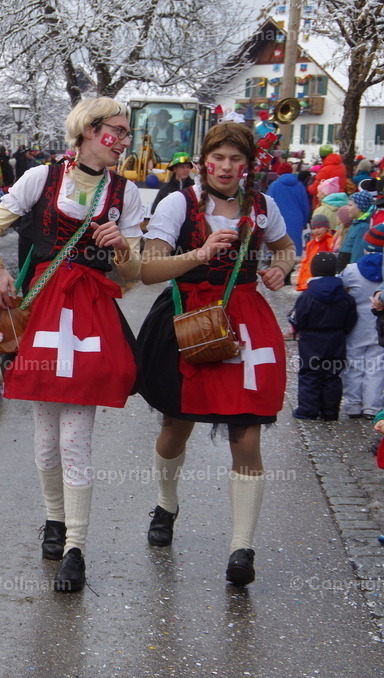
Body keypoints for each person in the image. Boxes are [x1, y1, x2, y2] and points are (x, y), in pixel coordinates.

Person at [0, 97, 144, 592]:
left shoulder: (126, 193)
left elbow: (134, 275)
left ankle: (75, 546)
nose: (125, 140)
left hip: (91, 315)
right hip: (44, 310)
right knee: (46, 434)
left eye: (127, 132)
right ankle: (54, 519)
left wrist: (122, 248)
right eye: (118, 130)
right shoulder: (42, 178)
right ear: (90, 130)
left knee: (74, 438)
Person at [136, 122, 296, 587]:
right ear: (204, 160)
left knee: (246, 431)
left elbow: (285, 249)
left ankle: (241, 548)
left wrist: (280, 269)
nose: (226, 167)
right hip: (188, 318)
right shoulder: (178, 203)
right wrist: (200, 253)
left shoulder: (262, 206)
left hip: (244, 321)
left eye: (235, 159)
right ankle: (166, 504)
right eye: (218, 158)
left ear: (247, 164)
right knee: (176, 427)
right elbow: (148, 269)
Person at [290, 252, 357, 420]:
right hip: (336, 338)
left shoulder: (307, 296)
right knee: (332, 374)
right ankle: (330, 411)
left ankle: (308, 409)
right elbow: (351, 319)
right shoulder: (345, 296)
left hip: (311, 340)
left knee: (310, 373)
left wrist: (297, 329)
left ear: (313, 270)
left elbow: (298, 319)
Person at [340, 250, 384, 418]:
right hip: (379, 323)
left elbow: (340, 285)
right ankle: (372, 407)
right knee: (377, 366)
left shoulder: (352, 270)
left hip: (357, 324)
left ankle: (353, 404)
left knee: (354, 363)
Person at [267, 164, 311, 258]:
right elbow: (305, 205)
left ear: (279, 173)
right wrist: (304, 222)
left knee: (278, 246)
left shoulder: (274, 185)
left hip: (278, 220)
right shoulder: (300, 186)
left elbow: (267, 205)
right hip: (296, 220)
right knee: (294, 248)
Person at [295, 214, 334, 291]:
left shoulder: (330, 242)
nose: (316, 231)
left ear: (326, 228)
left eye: (319, 228)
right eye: (314, 228)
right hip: (307, 283)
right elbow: (304, 264)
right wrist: (300, 283)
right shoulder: (310, 244)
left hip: (321, 284)